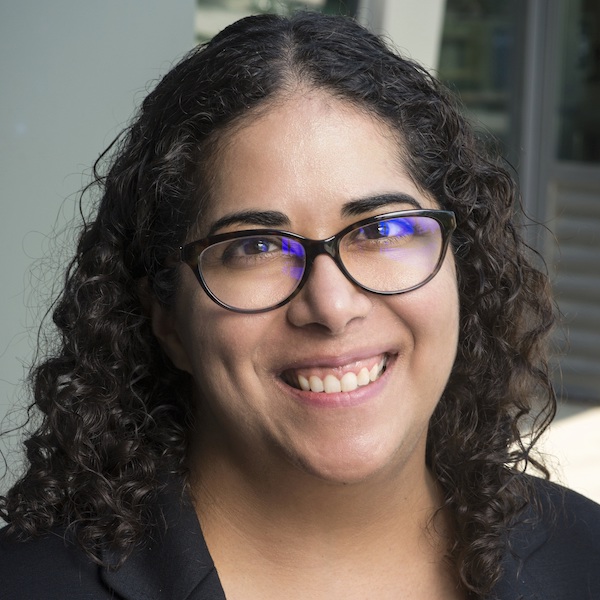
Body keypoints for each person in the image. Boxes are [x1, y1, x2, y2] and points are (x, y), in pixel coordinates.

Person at [1, 11, 599, 600]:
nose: (332, 306)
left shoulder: (587, 558)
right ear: (166, 320)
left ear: (459, 269)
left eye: (381, 231)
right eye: (256, 246)